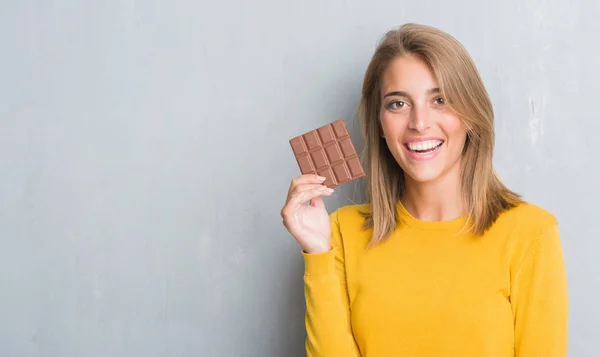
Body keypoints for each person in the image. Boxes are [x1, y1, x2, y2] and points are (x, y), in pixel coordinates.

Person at [280, 23, 568, 356]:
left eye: (440, 100)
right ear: (380, 125)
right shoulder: (341, 233)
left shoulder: (530, 232)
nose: (419, 122)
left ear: (471, 115)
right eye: (398, 104)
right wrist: (317, 252)